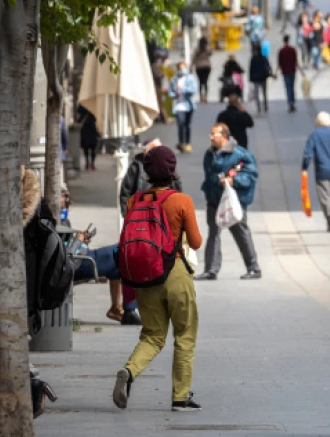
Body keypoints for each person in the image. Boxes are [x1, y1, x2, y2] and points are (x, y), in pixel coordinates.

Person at [112, 145, 204, 413]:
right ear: (172, 170)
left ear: (147, 171)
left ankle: (129, 372)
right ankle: (180, 397)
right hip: (175, 273)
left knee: (152, 335)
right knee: (185, 335)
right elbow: (196, 243)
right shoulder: (182, 200)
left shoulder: (135, 201)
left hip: (145, 276)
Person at [195, 124, 261, 281]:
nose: (211, 137)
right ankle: (211, 269)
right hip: (214, 199)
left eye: (214, 134)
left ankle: (253, 268)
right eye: (210, 134)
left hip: (233, 201)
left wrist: (233, 180)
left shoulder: (240, 154)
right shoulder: (209, 153)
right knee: (213, 234)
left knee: (241, 233)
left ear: (224, 136)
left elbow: (251, 176)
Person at [302, 111, 330, 232]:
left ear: (318, 122)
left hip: (322, 170)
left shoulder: (314, 135)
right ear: (329, 121)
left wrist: (304, 168)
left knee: (325, 196)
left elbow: (307, 154)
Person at [168, 62, 198, 154]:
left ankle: (188, 143)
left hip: (188, 105)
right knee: (181, 123)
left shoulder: (190, 78)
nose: (182, 70)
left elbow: (193, 90)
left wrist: (182, 89)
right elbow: (170, 93)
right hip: (178, 106)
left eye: (183, 68)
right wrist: (174, 95)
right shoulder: (174, 79)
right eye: (180, 68)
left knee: (187, 125)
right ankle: (181, 142)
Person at [278, 35, 299, 113]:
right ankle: (292, 102)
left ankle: (290, 102)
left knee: (288, 87)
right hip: (292, 71)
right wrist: (301, 71)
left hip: (285, 71)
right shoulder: (292, 50)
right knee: (292, 87)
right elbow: (296, 61)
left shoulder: (281, 51)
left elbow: (279, 63)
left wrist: (276, 72)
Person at [248, 45, 273, 114]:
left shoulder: (253, 58)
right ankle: (265, 106)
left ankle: (258, 106)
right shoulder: (264, 58)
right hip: (263, 77)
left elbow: (251, 69)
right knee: (264, 93)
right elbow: (268, 66)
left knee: (257, 93)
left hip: (256, 78)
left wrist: (250, 78)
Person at [76, 105, 100, 171]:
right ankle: (91, 164)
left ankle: (88, 164)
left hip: (87, 133)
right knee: (92, 150)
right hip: (91, 133)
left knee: (87, 150)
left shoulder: (83, 109)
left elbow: (79, 120)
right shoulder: (93, 111)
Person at [189, 37, 213, 104]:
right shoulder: (207, 48)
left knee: (200, 81)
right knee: (205, 81)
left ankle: (201, 97)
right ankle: (205, 96)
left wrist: (191, 67)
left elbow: (194, 58)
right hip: (207, 66)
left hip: (199, 67)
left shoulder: (197, 49)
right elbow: (211, 53)